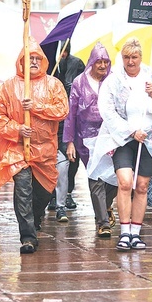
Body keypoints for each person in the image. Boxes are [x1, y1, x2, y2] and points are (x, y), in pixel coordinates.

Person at [0, 38, 68, 254]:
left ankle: (35, 217)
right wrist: (17, 129)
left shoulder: (53, 84)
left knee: (44, 192)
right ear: (20, 61)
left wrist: (37, 106)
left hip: (46, 150)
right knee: (23, 189)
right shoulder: (9, 87)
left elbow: (62, 110)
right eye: (28, 58)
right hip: (18, 149)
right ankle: (27, 237)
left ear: (43, 60)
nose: (32, 61)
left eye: (36, 58)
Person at [87, 38, 152, 251]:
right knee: (125, 182)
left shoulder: (151, 76)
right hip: (122, 139)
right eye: (127, 57)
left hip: (147, 140)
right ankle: (124, 232)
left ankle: (136, 232)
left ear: (141, 58)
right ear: (122, 58)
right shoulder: (113, 80)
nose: (131, 61)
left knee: (141, 186)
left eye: (134, 57)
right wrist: (130, 131)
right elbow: (106, 110)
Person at [63, 42, 116, 237]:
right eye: (99, 61)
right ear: (92, 62)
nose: (102, 65)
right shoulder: (79, 82)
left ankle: (106, 206)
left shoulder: (113, 80)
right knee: (96, 179)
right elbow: (71, 114)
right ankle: (103, 222)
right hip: (85, 139)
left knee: (115, 177)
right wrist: (69, 142)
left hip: (110, 136)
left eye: (106, 61)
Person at [50, 40, 85, 220]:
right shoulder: (49, 66)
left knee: (70, 162)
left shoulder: (77, 63)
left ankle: (65, 195)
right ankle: (53, 196)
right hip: (53, 123)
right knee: (54, 163)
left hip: (71, 120)